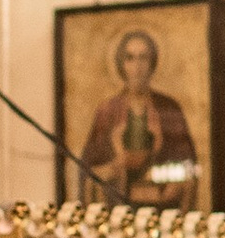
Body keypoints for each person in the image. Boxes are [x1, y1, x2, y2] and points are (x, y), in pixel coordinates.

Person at [77, 27, 200, 208]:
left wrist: (172, 179)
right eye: (130, 58)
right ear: (121, 64)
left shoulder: (168, 108)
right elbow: (88, 168)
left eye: (143, 58)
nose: (137, 66)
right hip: (117, 204)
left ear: (152, 63)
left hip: (161, 205)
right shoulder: (108, 110)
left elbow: (188, 164)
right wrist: (115, 165)